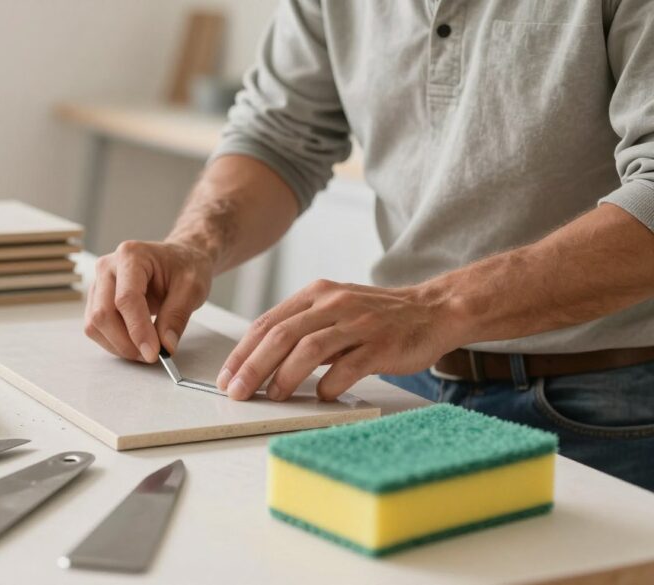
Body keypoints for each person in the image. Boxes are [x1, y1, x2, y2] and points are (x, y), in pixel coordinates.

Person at [83, 1, 654, 491]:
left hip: (606, 402)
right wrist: (194, 246)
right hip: (402, 379)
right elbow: (279, 136)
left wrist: (434, 310)